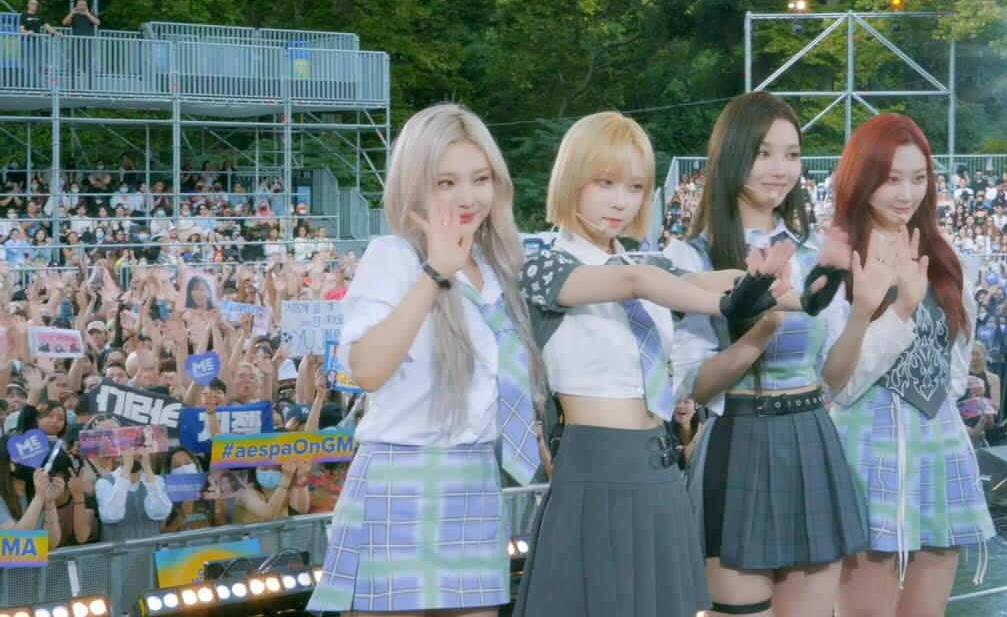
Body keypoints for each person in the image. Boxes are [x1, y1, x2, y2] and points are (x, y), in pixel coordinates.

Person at [513, 112, 785, 617]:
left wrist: (779, 285)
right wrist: (729, 302)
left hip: (660, 467)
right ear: (572, 179)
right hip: (595, 469)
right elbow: (636, 283)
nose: (621, 201)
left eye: (636, 187)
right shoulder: (544, 266)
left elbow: (699, 280)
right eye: (605, 182)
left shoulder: (648, 265)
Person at [308, 105, 541, 616]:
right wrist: (435, 272)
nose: (467, 197)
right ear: (415, 186)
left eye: (480, 178)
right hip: (401, 476)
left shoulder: (500, 267)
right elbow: (367, 370)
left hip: (477, 480)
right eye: (446, 182)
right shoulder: (394, 256)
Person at [664, 92, 865, 616]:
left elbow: (835, 378)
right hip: (738, 440)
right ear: (732, 155)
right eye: (764, 153)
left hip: (811, 438)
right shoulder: (692, 256)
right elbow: (694, 386)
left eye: (792, 154)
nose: (781, 169)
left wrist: (863, 311)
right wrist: (764, 327)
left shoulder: (812, 254)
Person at [821, 113, 994, 616]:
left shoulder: (945, 255)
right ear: (862, 178)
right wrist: (901, 310)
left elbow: (956, 362)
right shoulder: (836, 258)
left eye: (918, 178)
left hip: (938, 441)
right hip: (867, 441)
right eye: (892, 178)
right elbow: (840, 383)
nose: (906, 193)